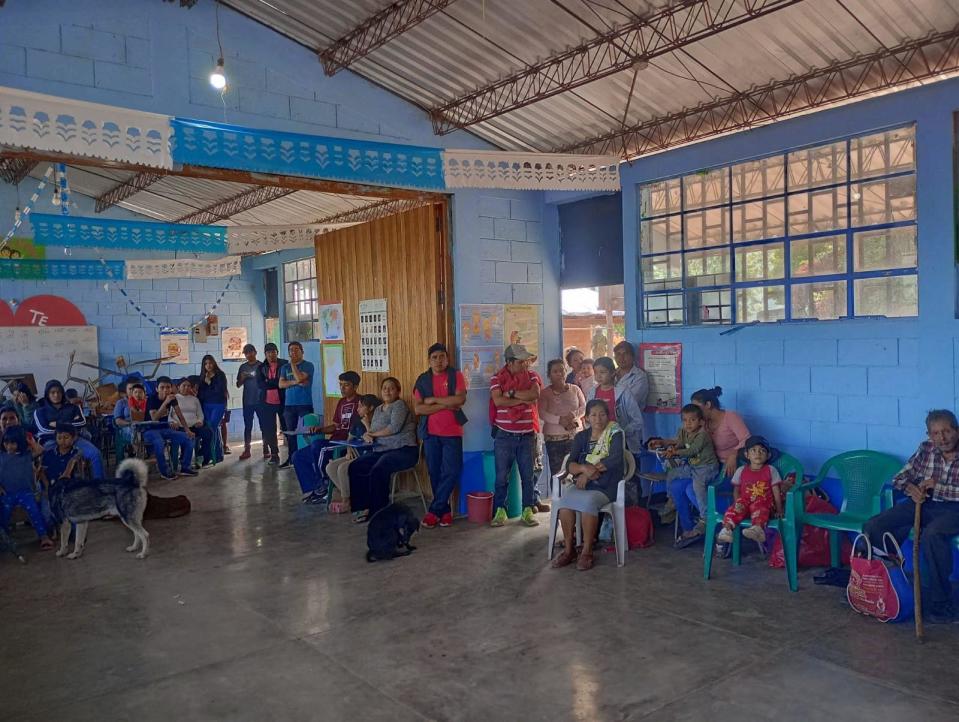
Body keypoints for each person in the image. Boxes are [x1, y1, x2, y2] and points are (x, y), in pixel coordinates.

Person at [863, 410, 959, 624]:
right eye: (936, 433)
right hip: (924, 503)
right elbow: (900, 477)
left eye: (947, 431)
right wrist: (910, 488)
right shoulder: (926, 449)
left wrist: (939, 487)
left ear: (956, 430)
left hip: (955, 509)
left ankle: (941, 603)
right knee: (875, 525)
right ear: (929, 435)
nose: (942, 438)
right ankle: (883, 585)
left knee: (932, 536)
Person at [551, 399, 625, 572]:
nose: (598, 419)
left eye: (602, 414)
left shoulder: (615, 434)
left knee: (588, 503)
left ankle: (587, 551)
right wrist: (583, 468)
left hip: (606, 486)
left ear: (608, 416)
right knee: (565, 504)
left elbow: (614, 459)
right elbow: (571, 463)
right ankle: (569, 550)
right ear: (587, 418)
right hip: (582, 484)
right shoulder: (581, 437)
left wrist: (587, 475)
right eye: (593, 415)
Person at [349, 377, 418, 523]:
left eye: (391, 388)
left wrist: (372, 434)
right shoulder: (379, 409)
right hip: (382, 450)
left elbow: (394, 428)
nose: (387, 391)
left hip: (404, 450)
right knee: (356, 465)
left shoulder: (399, 405)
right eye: (384, 388)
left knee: (379, 468)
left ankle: (378, 511)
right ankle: (364, 507)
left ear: (398, 391)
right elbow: (372, 431)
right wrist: (367, 433)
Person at [413, 343, 468, 529]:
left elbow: (460, 399)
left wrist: (434, 400)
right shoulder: (422, 380)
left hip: (452, 432)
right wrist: (446, 404)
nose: (438, 360)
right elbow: (419, 408)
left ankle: (434, 510)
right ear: (429, 360)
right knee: (434, 472)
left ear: (447, 358)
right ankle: (444, 511)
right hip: (430, 433)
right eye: (434, 357)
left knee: (452, 470)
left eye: (442, 356)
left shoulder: (456, 375)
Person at [650, 404, 721, 547]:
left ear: (701, 422)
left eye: (692, 420)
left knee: (697, 486)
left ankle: (705, 516)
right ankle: (671, 502)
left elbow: (692, 451)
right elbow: (681, 444)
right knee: (673, 473)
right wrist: (671, 448)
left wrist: (675, 453)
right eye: (685, 420)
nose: (688, 423)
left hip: (707, 468)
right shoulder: (683, 431)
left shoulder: (703, 435)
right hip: (693, 467)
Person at [489, 343, 543, 528]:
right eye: (521, 362)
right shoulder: (497, 378)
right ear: (510, 363)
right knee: (501, 477)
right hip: (504, 436)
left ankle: (527, 510)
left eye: (527, 361)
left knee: (528, 476)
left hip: (527, 435)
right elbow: (498, 400)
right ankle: (500, 511)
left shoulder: (533, 376)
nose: (525, 365)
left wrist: (511, 394)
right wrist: (522, 397)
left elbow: (534, 395)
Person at [291, 371, 361, 504]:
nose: (342, 388)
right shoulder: (341, 402)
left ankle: (324, 485)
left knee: (318, 446)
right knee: (297, 456)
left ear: (355, 386)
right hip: (333, 440)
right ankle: (315, 488)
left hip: (344, 443)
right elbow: (335, 426)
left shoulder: (360, 403)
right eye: (340, 385)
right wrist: (320, 429)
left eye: (346, 385)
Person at [717, 435, 783, 544]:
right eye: (753, 450)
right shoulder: (741, 470)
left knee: (759, 505)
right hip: (745, 502)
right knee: (734, 509)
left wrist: (779, 510)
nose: (758, 453)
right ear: (747, 455)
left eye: (762, 451)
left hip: (764, 504)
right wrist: (738, 503)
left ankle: (758, 529)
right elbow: (736, 490)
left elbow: (776, 491)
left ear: (768, 455)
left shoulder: (771, 470)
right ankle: (727, 530)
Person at [33, 379, 104, 478]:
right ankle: (49, 489)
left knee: (95, 454)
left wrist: (56, 424)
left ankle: (100, 485)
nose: (56, 395)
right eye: (52, 392)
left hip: (75, 439)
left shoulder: (73, 407)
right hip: (51, 440)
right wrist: (69, 423)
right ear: (47, 394)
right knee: (46, 460)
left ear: (62, 393)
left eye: (58, 392)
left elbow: (82, 422)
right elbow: (44, 429)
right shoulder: (40, 411)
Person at [324, 394, 380, 513]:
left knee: (343, 469)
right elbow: (350, 438)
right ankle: (353, 498)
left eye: (361, 406)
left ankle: (346, 502)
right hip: (355, 455)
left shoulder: (378, 421)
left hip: (370, 457)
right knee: (331, 467)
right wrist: (349, 451)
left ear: (370, 408)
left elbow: (371, 440)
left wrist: (367, 425)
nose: (358, 409)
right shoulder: (357, 422)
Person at [0, 426, 53, 550]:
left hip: (26, 492)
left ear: (20, 443)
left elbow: (40, 450)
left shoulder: (26, 455)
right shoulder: (1, 456)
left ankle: (43, 536)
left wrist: (29, 441)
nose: (9, 446)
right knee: (4, 515)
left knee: (35, 512)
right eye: (6, 443)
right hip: (7, 493)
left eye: (13, 443)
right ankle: (4, 538)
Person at [538, 358, 586, 477]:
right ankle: (557, 496)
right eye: (555, 371)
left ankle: (574, 496)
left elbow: (585, 407)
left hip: (575, 436)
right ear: (549, 375)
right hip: (554, 440)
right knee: (558, 473)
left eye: (562, 370)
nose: (559, 374)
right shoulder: (545, 393)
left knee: (576, 471)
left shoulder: (575, 389)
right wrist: (560, 421)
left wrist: (573, 415)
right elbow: (542, 413)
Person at [586, 357, 644, 455]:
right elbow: (587, 417)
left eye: (602, 372)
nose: (598, 376)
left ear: (613, 373)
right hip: (598, 442)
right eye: (595, 372)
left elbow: (637, 420)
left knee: (623, 467)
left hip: (622, 442)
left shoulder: (623, 392)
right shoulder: (592, 392)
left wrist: (622, 433)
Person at [690, 387, 751, 478]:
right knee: (680, 484)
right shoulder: (703, 422)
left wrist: (734, 454)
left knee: (692, 489)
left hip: (731, 467)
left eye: (697, 408)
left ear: (708, 404)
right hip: (709, 465)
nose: (695, 412)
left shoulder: (731, 417)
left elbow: (747, 439)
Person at [144, 376, 198, 480]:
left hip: (165, 429)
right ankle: (165, 472)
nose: (165, 390)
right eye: (162, 387)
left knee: (188, 438)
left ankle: (185, 468)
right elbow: (154, 418)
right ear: (157, 389)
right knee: (159, 443)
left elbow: (180, 415)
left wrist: (187, 430)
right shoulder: (152, 399)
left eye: (168, 387)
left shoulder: (172, 398)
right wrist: (165, 403)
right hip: (150, 430)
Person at [278, 341, 314, 468]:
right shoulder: (284, 368)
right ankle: (292, 459)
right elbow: (281, 384)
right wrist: (296, 382)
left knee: (307, 433)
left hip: (304, 404)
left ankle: (309, 457)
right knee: (290, 434)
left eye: (296, 349)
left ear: (302, 351)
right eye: (291, 350)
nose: (293, 352)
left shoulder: (308, 365)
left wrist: (293, 366)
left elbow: (300, 378)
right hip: (289, 405)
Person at [256, 342, 286, 464]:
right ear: (265, 354)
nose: (271, 354)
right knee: (269, 429)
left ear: (277, 352)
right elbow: (261, 384)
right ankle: (274, 454)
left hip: (283, 401)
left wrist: (270, 381)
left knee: (287, 427)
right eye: (268, 352)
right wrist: (275, 383)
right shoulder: (261, 367)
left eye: (273, 352)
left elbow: (283, 383)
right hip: (266, 402)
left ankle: (293, 454)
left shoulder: (284, 364)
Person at [173, 377, 214, 466]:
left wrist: (199, 421)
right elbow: (171, 415)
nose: (186, 388)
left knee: (208, 432)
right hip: (181, 427)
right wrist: (174, 422)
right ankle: (184, 459)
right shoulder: (174, 398)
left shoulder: (195, 399)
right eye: (184, 386)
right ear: (178, 387)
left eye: (188, 386)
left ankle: (202, 456)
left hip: (195, 426)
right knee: (186, 437)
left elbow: (200, 414)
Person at [197, 355, 228, 463]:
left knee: (212, 428)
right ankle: (217, 455)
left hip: (218, 404)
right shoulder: (202, 376)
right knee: (212, 429)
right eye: (206, 364)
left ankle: (210, 454)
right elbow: (201, 394)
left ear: (214, 363)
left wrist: (209, 382)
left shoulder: (220, 375)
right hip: (206, 405)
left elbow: (219, 391)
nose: (208, 365)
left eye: (210, 363)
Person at [236, 344, 263, 461]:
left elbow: (266, 381)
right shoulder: (242, 367)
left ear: (255, 352)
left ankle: (266, 448)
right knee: (248, 426)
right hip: (247, 401)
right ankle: (247, 450)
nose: (248, 355)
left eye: (250, 352)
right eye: (246, 353)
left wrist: (255, 376)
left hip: (261, 400)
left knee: (264, 425)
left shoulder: (261, 365)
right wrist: (243, 377)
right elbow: (238, 384)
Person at [613, 341, 650, 413]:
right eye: (618, 354)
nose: (621, 358)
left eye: (625, 354)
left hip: (631, 421)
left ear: (632, 356)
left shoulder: (639, 376)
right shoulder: (611, 374)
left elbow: (630, 401)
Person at [114, 382, 148, 454]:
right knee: (135, 430)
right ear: (126, 391)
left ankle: (151, 455)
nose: (136, 393)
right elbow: (118, 421)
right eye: (130, 389)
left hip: (142, 426)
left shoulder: (144, 402)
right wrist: (130, 423)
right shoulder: (121, 402)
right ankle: (139, 454)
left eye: (139, 391)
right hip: (127, 427)